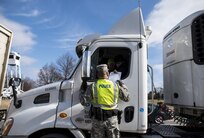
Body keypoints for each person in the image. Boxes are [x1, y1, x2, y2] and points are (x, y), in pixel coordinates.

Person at [81, 64, 129, 138]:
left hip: (97, 120)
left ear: (97, 74)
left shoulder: (93, 86)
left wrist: (83, 88)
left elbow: (83, 101)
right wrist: (122, 85)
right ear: (107, 73)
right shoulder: (115, 85)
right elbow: (127, 98)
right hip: (112, 119)